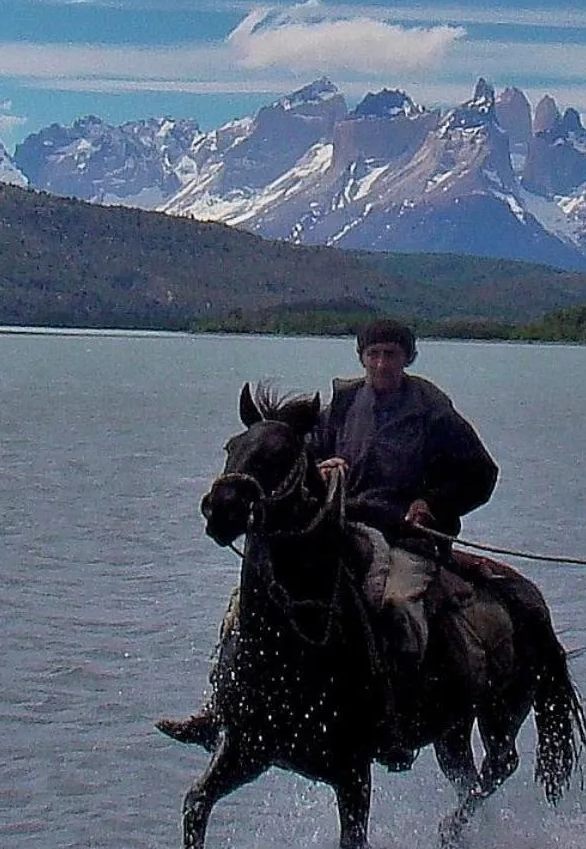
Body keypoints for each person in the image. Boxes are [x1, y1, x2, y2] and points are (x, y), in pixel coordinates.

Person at [158, 319, 499, 761]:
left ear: (407, 358)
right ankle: (221, 707)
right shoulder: (342, 403)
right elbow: (300, 455)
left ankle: (395, 716)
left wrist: (432, 503)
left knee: (394, 604)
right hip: (342, 526)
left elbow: (481, 474)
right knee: (251, 599)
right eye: (373, 354)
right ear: (361, 357)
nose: (381, 363)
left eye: (391, 354)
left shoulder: (433, 411)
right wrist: (319, 467)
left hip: (405, 536)